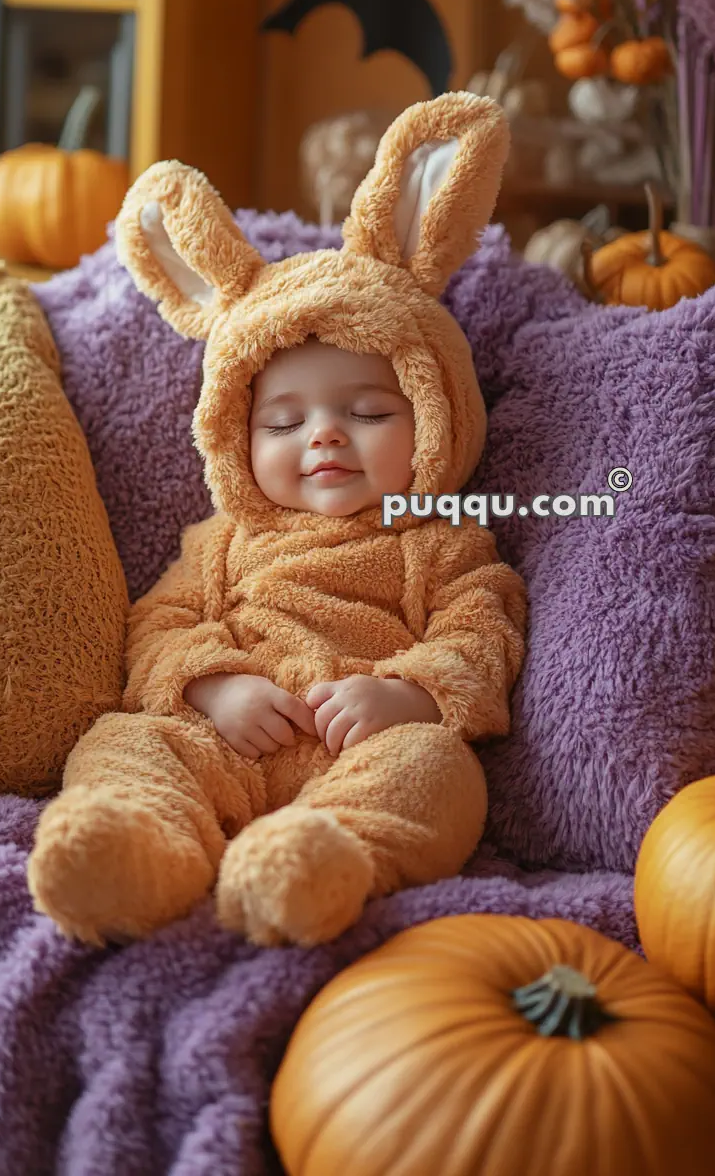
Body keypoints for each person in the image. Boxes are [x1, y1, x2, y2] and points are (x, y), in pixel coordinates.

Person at [27, 91, 528, 950]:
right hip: (225, 735)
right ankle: (137, 850)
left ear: (436, 413)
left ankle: (321, 860)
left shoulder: (441, 541)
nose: (324, 436)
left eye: (368, 413)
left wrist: (409, 694)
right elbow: (157, 626)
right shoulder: (224, 543)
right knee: (123, 743)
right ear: (233, 438)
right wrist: (213, 687)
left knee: (440, 776)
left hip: (359, 748)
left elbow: (485, 634)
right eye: (285, 423)